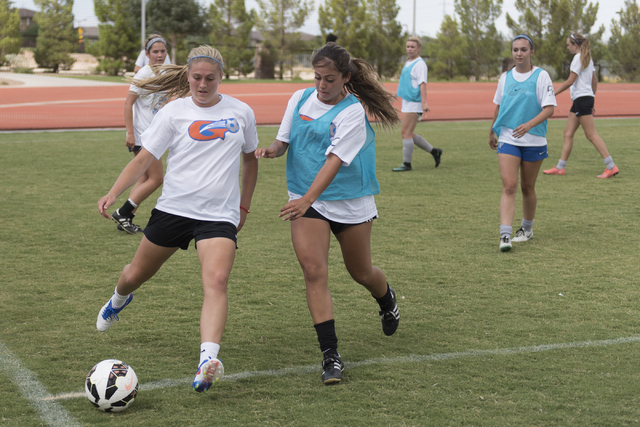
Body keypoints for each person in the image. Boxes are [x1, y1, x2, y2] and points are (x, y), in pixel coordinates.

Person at [95, 45, 259, 394]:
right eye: (197, 77)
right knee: (134, 275)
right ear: (188, 76)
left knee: (216, 281)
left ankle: (207, 361)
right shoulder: (172, 112)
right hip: (174, 210)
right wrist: (114, 192)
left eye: (210, 78)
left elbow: (251, 160)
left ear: (221, 77)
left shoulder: (242, 112)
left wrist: (243, 207)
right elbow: (143, 160)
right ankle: (118, 300)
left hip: (218, 216)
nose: (202, 84)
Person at [255, 42, 401, 385]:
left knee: (361, 272)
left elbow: (334, 162)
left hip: (349, 201)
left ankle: (386, 297)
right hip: (306, 201)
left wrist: (307, 199)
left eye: (330, 79)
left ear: (346, 78)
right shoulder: (299, 98)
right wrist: (272, 151)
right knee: (314, 271)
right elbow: (284, 140)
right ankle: (331, 356)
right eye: (317, 77)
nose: (321, 85)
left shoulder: (353, 113)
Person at [489, 35, 556, 252]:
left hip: (534, 140)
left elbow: (549, 109)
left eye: (523, 50)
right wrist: (492, 129)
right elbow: (498, 106)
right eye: (515, 49)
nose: (519, 53)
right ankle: (505, 236)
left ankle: (526, 229)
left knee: (528, 187)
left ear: (531, 52)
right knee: (509, 186)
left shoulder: (541, 76)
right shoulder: (504, 78)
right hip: (508, 138)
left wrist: (528, 125)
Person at [112, 34, 169, 234]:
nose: (160, 55)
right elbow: (128, 103)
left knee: (145, 177)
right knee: (156, 178)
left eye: (163, 51)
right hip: (143, 134)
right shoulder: (143, 74)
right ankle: (123, 212)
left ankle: (126, 217)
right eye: (155, 52)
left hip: (154, 133)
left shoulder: (164, 72)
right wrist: (130, 133)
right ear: (147, 54)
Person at [543, 33, 619, 178]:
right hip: (582, 100)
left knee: (591, 135)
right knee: (568, 133)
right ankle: (560, 167)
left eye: (568, 44)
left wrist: (552, 94)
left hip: (582, 100)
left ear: (575, 45)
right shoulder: (586, 58)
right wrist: (592, 98)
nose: (567, 47)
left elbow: (570, 81)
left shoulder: (578, 58)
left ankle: (611, 166)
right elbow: (594, 81)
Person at [392, 36, 442, 172]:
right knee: (410, 133)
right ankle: (435, 152)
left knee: (405, 133)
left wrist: (424, 103)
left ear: (419, 48)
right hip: (407, 102)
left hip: (415, 103)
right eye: (408, 46)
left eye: (412, 47)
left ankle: (407, 164)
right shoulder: (408, 62)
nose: (409, 49)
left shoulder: (420, 64)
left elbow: (422, 84)